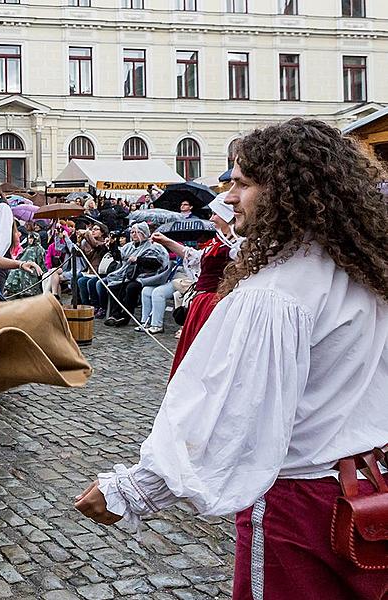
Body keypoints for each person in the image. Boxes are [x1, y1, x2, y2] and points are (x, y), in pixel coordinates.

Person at [76, 119, 388, 600]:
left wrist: (132, 490)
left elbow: (235, 410)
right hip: (369, 487)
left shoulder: (277, 291)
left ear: (285, 190)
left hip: (304, 507)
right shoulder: (362, 270)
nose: (228, 196)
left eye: (242, 184)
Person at [147, 193, 238, 345]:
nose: (211, 218)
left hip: (214, 302)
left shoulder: (235, 244)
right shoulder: (218, 241)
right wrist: (166, 241)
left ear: (226, 216)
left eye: (215, 214)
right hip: (203, 300)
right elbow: (194, 256)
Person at [101, 222, 169, 326]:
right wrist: (112, 244)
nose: (133, 235)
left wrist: (138, 259)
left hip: (148, 275)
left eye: (136, 232)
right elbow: (119, 257)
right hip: (131, 274)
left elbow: (156, 263)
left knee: (131, 287)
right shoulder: (129, 246)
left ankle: (126, 315)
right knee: (115, 285)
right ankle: (115, 314)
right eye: (132, 232)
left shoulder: (153, 246)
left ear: (144, 233)